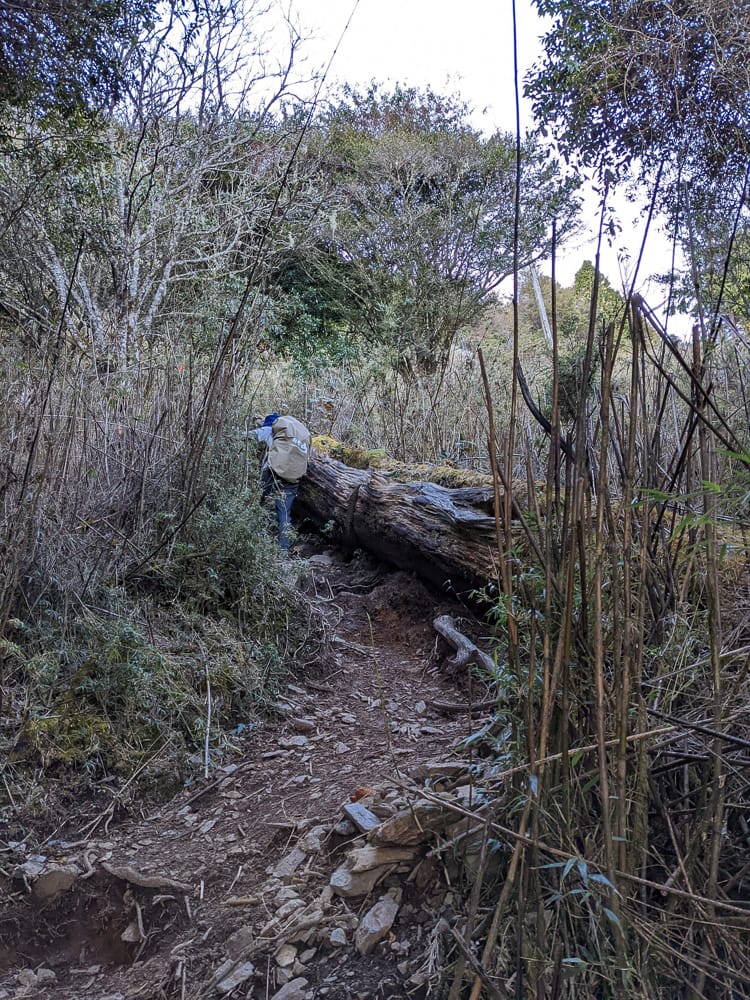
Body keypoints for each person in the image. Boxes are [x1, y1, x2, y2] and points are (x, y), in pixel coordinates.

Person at [251, 412, 311, 551]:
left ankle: (248, 538)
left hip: (272, 472)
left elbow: (250, 436)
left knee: (258, 503)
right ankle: (283, 550)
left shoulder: (269, 429)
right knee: (284, 513)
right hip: (292, 477)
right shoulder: (298, 436)